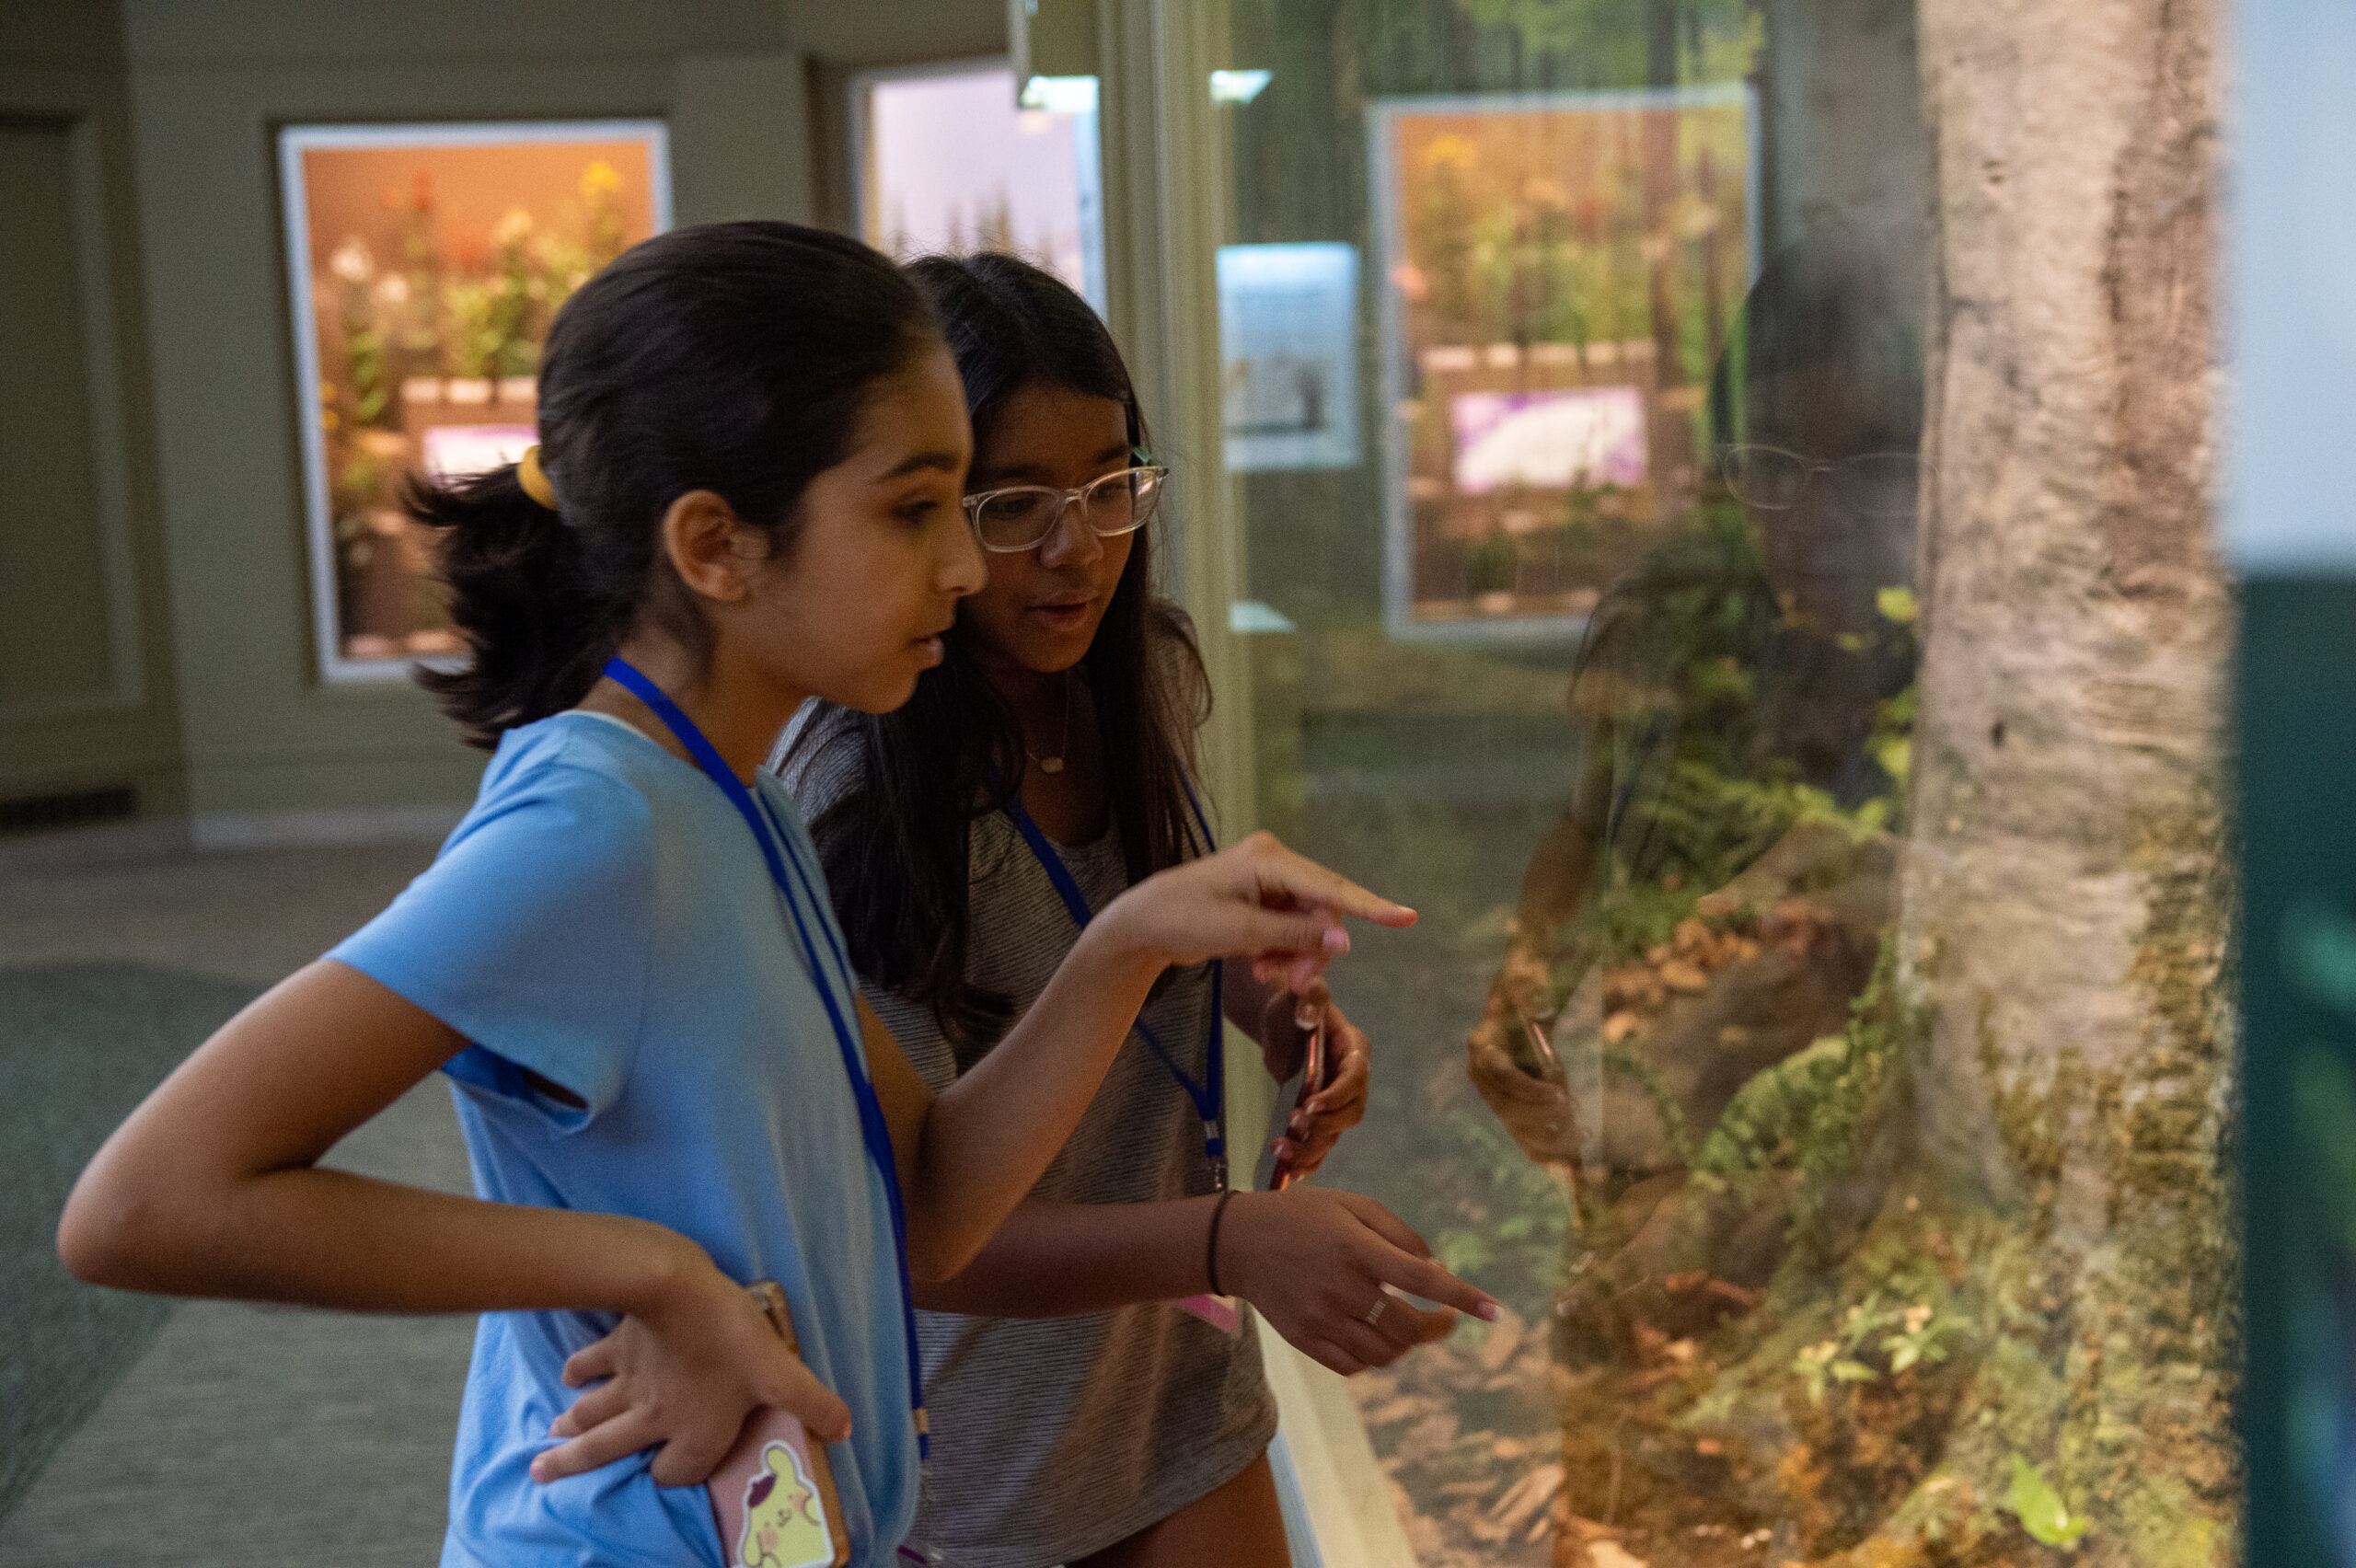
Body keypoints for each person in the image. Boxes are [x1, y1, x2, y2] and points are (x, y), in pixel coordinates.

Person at [55, 222, 1420, 1568]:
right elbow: (147, 1203)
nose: (963, 566)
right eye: (915, 510)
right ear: (717, 546)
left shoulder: (733, 794)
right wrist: (644, 1272)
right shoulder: (595, 825)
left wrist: (1133, 940)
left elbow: (929, 1201)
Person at [778, 252, 1492, 1568]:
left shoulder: (1133, 673)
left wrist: (1284, 1021)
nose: (1079, 548)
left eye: (1113, 486)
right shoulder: (854, 789)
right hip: (977, 1457)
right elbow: (911, 1235)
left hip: (1173, 1394)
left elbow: (1158, 940)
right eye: (1016, 505)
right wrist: (1229, 1238)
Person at [1463, 225, 1927, 1320]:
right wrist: (1526, 987)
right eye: (1770, 467)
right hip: (1654, 1168)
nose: (1810, 519)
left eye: (1863, 471)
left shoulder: (1969, 673)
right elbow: (1585, 830)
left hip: (1867, 1219)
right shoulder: (1670, 620)